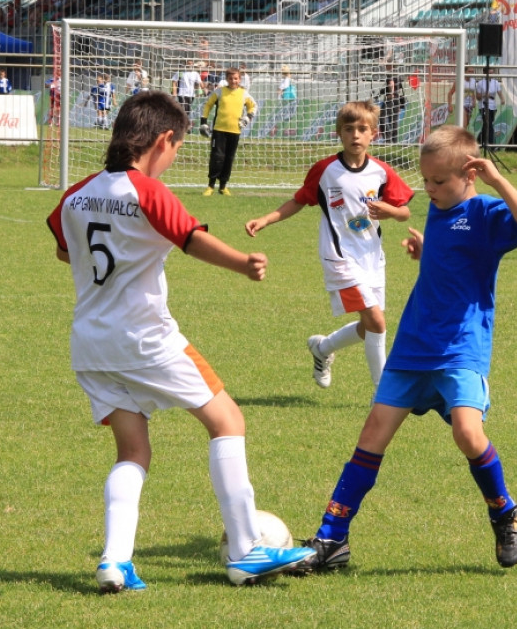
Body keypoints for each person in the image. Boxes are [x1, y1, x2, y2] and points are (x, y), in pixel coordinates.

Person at [46, 91, 316, 592]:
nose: (173, 159)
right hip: (146, 339)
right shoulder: (147, 192)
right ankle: (245, 550)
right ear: (164, 139)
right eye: (177, 148)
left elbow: (67, 252)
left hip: (90, 344)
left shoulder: (76, 194)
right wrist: (244, 261)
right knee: (227, 419)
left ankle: (114, 562)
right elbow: (190, 238)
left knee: (132, 452)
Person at [291, 125, 517, 574]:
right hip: (413, 346)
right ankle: (332, 540)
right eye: (425, 181)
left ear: (470, 174)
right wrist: (426, 250)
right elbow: (452, 257)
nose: (429, 190)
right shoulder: (438, 210)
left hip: (459, 348)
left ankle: (503, 511)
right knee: (371, 437)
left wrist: (499, 181)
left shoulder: (486, 212)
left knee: (468, 435)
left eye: (439, 182)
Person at [244, 100, 413, 392]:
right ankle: (384, 394)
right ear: (339, 133)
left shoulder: (382, 172)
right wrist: (265, 219)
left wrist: (391, 212)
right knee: (377, 321)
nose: (356, 135)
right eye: (349, 129)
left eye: (362, 129)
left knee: (368, 327)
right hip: (339, 257)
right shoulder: (325, 170)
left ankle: (323, 348)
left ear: (374, 133)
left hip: (372, 257)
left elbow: (404, 211)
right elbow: (299, 200)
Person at [199, 67, 257, 196]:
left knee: (229, 159)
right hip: (219, 130)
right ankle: (211, 186)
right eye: (230, 78)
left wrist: (247, 118)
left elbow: (253, 106)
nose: (233, 81)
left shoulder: (244, 94)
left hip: (235, 131)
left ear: (239, 79)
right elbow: (207, 104)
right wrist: (203, 122)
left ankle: (223, 186)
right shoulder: (219, 92)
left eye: (235, 78)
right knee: (217, 158)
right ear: (227, 79)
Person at [474, 69, 505, 149]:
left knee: (486, 124)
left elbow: (499, 92)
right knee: (489, 124)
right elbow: (478, 97)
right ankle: (491, 144)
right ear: (485, 73)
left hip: (492, 105)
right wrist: (484, 95)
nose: (491, 74)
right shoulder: (480, 83)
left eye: (492, 72)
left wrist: (502, 99)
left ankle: (480, 142)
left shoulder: (496, 82)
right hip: (484, 105)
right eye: (489, 72)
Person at [377, 68, 406, 143]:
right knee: (393, 121)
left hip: (390, 100)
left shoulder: (390, 74)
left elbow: (391, 83)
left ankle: (388, 139)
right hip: (397, 101)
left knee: (382, 118)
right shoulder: (398, 76)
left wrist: (391, 94)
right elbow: (398, 89)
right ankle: (394, 141)